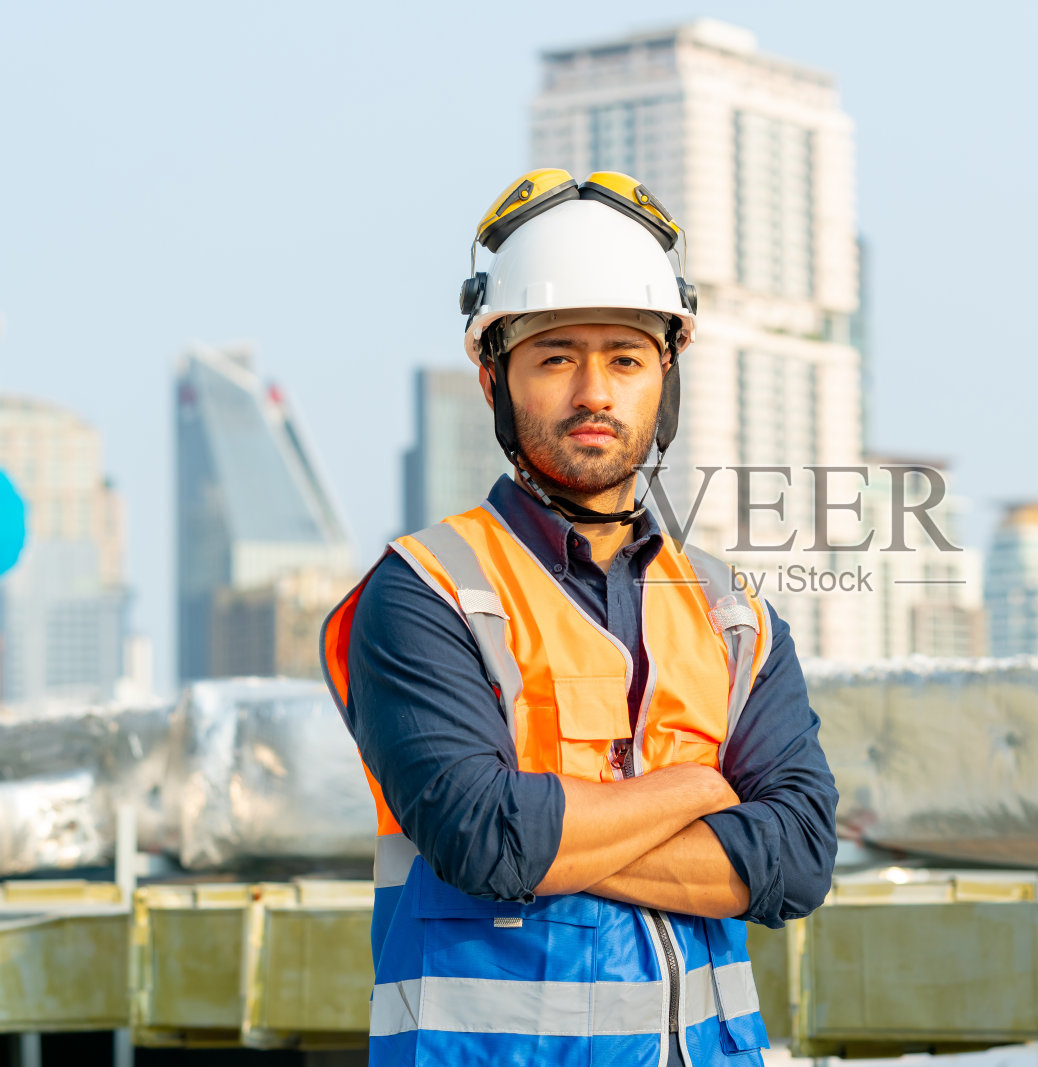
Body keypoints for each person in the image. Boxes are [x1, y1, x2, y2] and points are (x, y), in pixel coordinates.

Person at [321, 169, 838, 1067]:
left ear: (664, 377)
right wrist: (700, 791)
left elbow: (796, 859)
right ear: (495, 379)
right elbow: (484, 840)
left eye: (625, 358)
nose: (594, 391)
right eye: (556, 356)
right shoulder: (428, 591)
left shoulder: (731, 613)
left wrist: (562, 837)